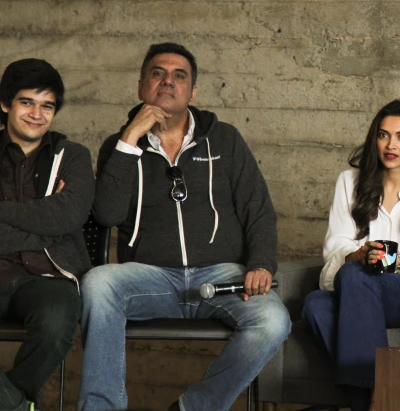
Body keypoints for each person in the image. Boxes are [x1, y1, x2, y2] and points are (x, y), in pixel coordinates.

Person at [78, 43, 291, 411]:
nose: (168, 82)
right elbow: (107, 214)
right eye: (158, 73)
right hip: (151, 279)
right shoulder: (119, 145)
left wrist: (261, 264)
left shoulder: (225, 139)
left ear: (193, 92)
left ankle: (194, 408)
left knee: (273, 321)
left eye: (180, 76)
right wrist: (129, 142)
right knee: (97, 284)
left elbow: (258, 209)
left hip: (221, 277)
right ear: (141, 85)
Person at [301, 99, 400, 411]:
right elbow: (335, 250)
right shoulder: (350, 182)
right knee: (315, 304)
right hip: (356, 287)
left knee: (356, 274)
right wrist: (359, 255)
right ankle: (376, 403)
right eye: (383, 135)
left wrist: (392, 263)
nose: (391, 145)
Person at [0, 59, 94, 411]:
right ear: (6, 103)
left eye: (47, 105)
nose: (37, 114)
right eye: (27, 102)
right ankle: (16, 405)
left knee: (57, 321)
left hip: (47, 275)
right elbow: (53, 222)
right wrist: (43, 220)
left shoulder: (72, 156)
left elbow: (67, 217)